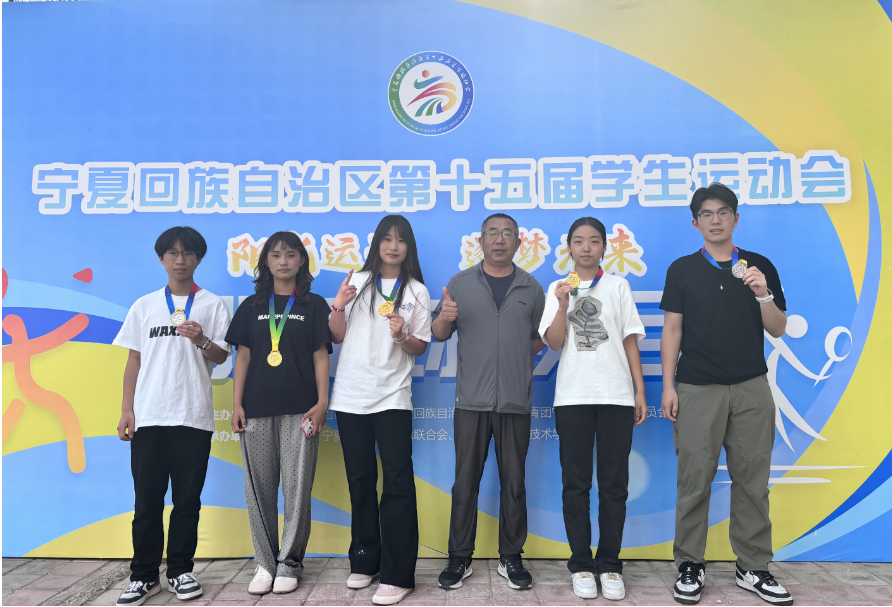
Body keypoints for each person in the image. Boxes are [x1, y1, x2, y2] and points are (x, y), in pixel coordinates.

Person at [660, 183, 793, 606]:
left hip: (751, 387)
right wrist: (668, 386)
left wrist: (762, 293)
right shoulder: (682, 269)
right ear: (695, 223)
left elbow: (778, 328)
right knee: (694, 479)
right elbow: (672, 330)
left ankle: (753, 566)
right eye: (707, 214)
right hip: (697, 387)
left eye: (723, 212)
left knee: (752, 479)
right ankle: (689, 563)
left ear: (736, 218)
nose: (715, 220)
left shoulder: (759, 266)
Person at [113, 227, 231, 606]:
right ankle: (144, 576)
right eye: (173, 253)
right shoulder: (145, 305)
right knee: (147, 502)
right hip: (148, 416)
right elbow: (134, 360)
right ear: (161, 259)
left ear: (199, 259)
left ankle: (181, 570)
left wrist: (200, 339)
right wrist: (127, 409)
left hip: (193, 416)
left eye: (188, 253)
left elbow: (221, 356)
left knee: (187, 501)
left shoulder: (212, 305)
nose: (180, 260)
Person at [432, 213, 546, 592]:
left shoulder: (531, 287)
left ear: (518, 242)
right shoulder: (460, 284)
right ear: (480, 241)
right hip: (471, 402)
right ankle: (459, 557)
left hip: (515, 401)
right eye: (492, 233)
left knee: (514, 482)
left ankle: (511, 556)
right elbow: (439, 332)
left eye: (507, 233)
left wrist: (516, 358)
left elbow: (542, 336)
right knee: (465, 482)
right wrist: (444, 318)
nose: (500, 239)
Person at [539, 217, 647, 601]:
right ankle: (582, 564)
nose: (586, 247)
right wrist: (562, 305)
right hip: (573, 397)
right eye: (579, 241)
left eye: (594, 241)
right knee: (576, 484)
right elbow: (554, 343)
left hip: (616, 396)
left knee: (614, 485)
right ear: (568, 247)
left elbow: (630, 340)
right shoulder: (559, 288)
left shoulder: (618, 286)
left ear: (604, 247)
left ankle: (611, 564)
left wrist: (639, 390)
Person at [328, 215, 431, 606]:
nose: (393, 246)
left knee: (398, 484)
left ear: (409, 247)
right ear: (376, 244)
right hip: (350, 396)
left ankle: (398, 574)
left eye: (400, 240)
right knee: (360, 482)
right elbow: (336, 335)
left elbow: (420, 346)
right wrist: (338, 306)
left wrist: (401, 333)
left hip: (392, 397)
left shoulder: (417, 290)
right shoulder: (356, 281)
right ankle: (364, 560)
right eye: (387, 239)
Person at [225, 232, 332, 596]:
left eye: (290, 254)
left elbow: (321, 356)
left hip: (302, 410)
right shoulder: (252, 306)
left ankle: (290, 561)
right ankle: (265, 562)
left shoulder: (314, 305)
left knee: (298, 489)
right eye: (275, 255)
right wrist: (237, 405)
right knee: (259, 490)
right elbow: (242, 357)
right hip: (256, 410)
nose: (283, 261)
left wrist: (322, 402)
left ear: (301, 260)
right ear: (266, 262)